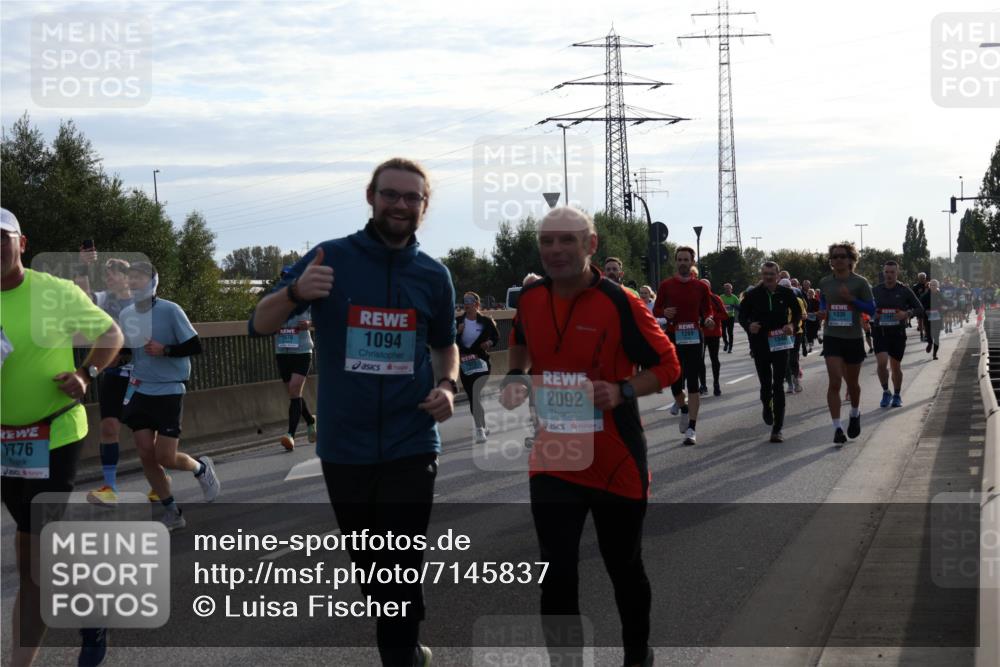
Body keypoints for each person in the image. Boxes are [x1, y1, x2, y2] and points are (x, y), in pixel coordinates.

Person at [249, 157, 457, 667]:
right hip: (345, 446)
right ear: (371, 197)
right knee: (372, 571)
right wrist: (295, 292)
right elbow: (259, 323)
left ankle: (401, 652)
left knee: (399, 563)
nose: (400, 205)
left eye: (412, 197)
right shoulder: (330, 257)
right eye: (391, 194)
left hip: (412, 439)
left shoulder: (434, 275)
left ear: (425, 205)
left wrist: (449, 386)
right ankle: (405, 630)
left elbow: (445, 344)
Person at [500, 206, 679, 667]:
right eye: (547, 241)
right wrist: (516, 375)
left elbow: (668, 365)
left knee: (623, 566)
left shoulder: (621, 302)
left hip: (615, 458)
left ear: (591, 245)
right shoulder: (530, 298)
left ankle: (637, 656)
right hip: (555, 456)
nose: (556, 250)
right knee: (555, 570)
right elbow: (520, 341)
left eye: (567, 240)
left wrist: (622, 390)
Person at [1, 208, 125, 667]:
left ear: (21, 243)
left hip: (54, 434)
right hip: (6, 443)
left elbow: (110, 333)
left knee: (36, 552)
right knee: (35, 552)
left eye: (1, 238)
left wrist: (86, 373)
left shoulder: (53, 292)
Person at [118, 261, 219, 531]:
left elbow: (195, 345)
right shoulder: (127, 314)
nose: (134, 282)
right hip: (139, 388)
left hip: (169, 389)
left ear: (153, 282)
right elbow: (127, 349)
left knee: (165, 456)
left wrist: (166, 350)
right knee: (145, 453)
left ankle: (200, 469)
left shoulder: (170, 310)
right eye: (131, 278)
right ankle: (172, 511)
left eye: (139, 277)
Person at [84, 258, 137, 505]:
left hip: (140, 377)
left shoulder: (142, 302)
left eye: (112, 274)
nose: (108, 279)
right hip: (114, 375)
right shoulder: (105, 299)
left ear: (126, 278)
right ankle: (109, 487)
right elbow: (84, 296)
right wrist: (85, 265)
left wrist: (124, 353)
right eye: (106, 275)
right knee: (108, 428)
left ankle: (160, 481)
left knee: (145, 435)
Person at [653, 246, 714, 446]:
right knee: (675, 382)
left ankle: (692, 429)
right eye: (679, 259)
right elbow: (656, 310)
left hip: (695, 337)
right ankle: (684, 409)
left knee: (693, 382)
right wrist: (664, 313)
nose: (682, 263)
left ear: (692, 262)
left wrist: (709, 319)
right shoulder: (666, 285)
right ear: (676, 262)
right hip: (673, 336)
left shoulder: (701, 287)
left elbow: (708, 310)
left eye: (686, 260)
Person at [818, 242, 875, 446]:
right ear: (831, 261)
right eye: (834, 257)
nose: (838, 260)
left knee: (852, 384)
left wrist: (851, 299)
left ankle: (855, 413)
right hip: (832, 336)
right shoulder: (825, 282)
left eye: (842, 256)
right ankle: (837, 428)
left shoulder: (860, 282)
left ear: (851, 260)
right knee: (835, 381)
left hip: (853, 338)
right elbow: (823, 300)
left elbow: (871, 308)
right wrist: (823, 310)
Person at [738, 262, 801, 442]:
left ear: (778, 276)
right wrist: (749, 325)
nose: (768, 277)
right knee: (765, 384)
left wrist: (791, 325)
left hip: (780, 342)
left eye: (771, 274)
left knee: (778, 384)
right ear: (762, 275)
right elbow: (742, 316)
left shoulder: (786, 293)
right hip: (760, 344)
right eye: (765, 274)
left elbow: (797, 313)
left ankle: (777, 429)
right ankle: (767, 405)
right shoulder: (752, 295)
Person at [272, 266, 317, 452]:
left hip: (302, 351)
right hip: (282, 352)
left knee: (294, 389)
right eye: (284, 277)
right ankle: (311, 420)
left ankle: (290, 435)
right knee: (294, 394)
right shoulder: (275, 300)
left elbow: (323, 318)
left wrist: (309, 323)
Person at [871, 260, 923, 409]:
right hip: (880, 332)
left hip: (897, 333)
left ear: (897, 273)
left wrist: (906, 314)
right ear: (883, 273)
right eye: (886, 272)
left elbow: (919, 308)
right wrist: (873, 313)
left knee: (895, 366)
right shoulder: (875, 290)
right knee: (881, 364)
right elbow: (866, 307)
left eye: (892, 272)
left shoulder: (904, 290)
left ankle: (897, 395)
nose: (889, 275)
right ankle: (886, 391)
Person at [456, 291, 499, 444]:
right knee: (473, 396)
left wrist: (489, 343)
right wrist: (457, 332)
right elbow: (449, 341)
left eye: (470, 301)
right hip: (465, 363)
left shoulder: (485, 321)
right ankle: (483, 425)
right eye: (464, 301)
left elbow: (496, 337)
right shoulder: (458, 321)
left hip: (481, 363)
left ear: (477, 304)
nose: (466, 304)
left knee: (475, 393)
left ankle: (479, 429)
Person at [699, 278, 728, 396]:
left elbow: (725, 315)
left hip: (713, 333)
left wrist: (711, 316)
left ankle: (716, 383)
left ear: (709, 287)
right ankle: (703, 385)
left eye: (705, 286)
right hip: (699, 333)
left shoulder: (715, 298)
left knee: (714, 358)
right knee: (699, 360)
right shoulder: (695, 299)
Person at [921, 279, 944, 360]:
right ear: (929, 286)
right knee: (929, 335)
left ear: (937, 286)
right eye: (932, 285)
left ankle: (934, 354)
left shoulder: (940, 295)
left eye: (935, 285)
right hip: (928, 319)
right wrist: (925, 310)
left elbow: (945, 302)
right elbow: (920, 305)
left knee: (936, 337)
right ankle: (930, 343)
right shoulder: (925, 296)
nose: (933, 286)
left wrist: (946, 307)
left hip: (938, 318)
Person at [719, 282, 740, 353]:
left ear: (731, 289)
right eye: (726, 289)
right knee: (723, 332)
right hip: (723, 317)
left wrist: (733, 306)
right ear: (724, 290)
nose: (728, 290)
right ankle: (726, 343)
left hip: (731, 317)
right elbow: (717, 306)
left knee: (730, 332)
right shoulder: (721, 297)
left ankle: (730, 347)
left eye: (729, 289)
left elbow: (739, 307)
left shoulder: (734, 297)